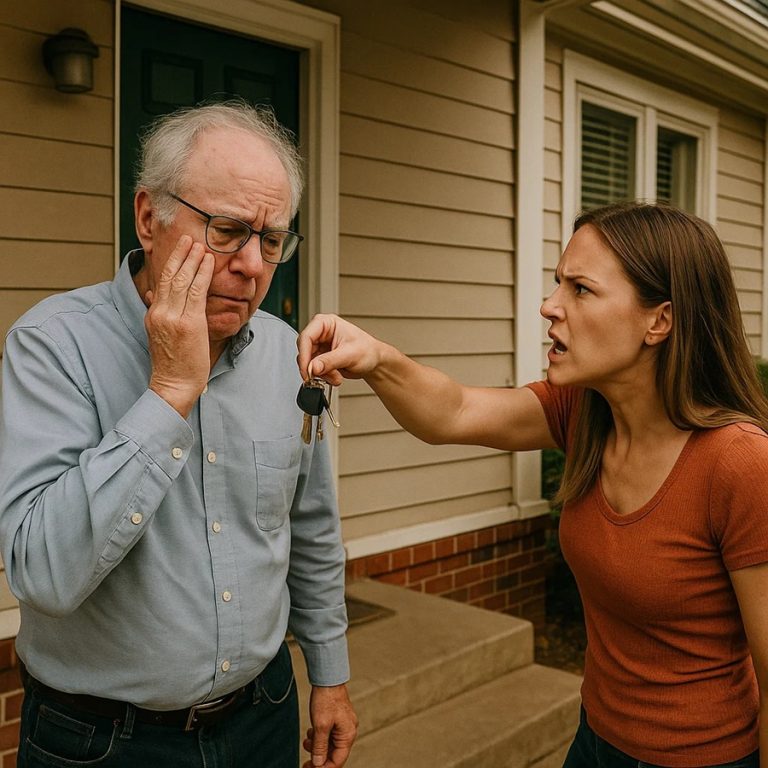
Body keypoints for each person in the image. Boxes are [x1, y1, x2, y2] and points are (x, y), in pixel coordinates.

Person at [296, 201, 768, 768]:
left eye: (581, 290)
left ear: (658, 321)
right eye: (555, 285)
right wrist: (374, 357)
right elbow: (453, 413)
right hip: (595, 741)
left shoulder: (739, 465)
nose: (550, 307)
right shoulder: (585, 414)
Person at [0, 100, 357, 768]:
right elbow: (42, 572)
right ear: (148, 216)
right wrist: (168, 393)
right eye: (227, 230)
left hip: (264, 719)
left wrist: (330, 675)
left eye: (272, 238)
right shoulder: (52, 346)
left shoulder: (284, 353)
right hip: (103, 742)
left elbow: (309, 528)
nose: (252, 264)